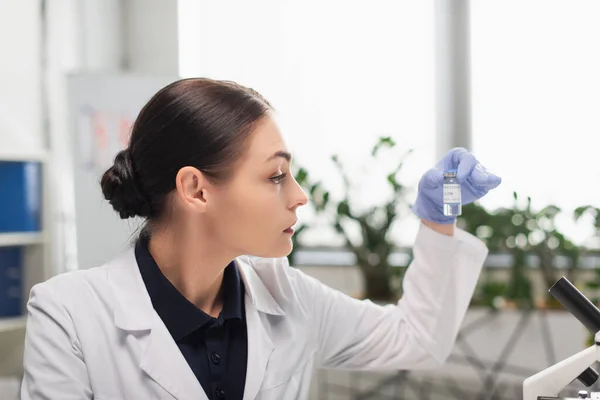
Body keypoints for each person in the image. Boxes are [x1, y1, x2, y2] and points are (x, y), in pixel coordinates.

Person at [20, 78, 501, 400]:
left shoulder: (288, 298)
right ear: (196, 188)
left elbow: (416, 340)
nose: (299, 196)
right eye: (275, 176)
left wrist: (438, 220)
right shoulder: (70, 315)